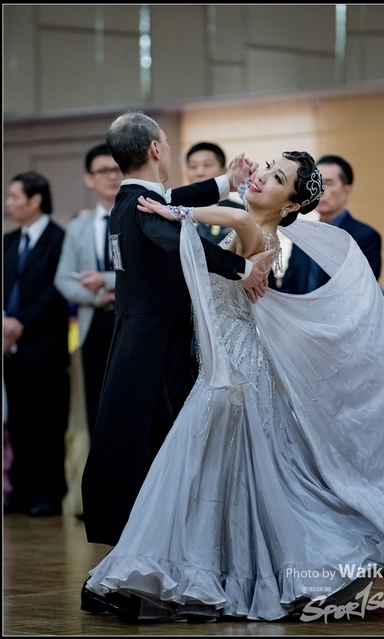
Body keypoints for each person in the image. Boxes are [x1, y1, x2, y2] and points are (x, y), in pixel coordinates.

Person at [82, 151, 384, 623]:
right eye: (266, 166)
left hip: (234, 372)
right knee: (223, 476)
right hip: (231, 367)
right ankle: (210, 572)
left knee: (199, 472)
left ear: (290, 205)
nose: (262, 176)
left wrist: (172, 210)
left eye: (276, 177)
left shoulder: (255, 230)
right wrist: (202, 198)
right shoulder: (261, 231)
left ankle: (193, 573)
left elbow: (228, 216)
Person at [80, 111, 273, 562]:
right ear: (155, 149)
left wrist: (227, 182)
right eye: (165, 141)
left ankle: (151, 536)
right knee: (155, 435)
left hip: (137, 335)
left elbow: (174, 201)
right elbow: (178, 240)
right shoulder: (144, 208)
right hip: (155, 345)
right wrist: (242, 269)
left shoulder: (130, 199)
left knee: (135, 431)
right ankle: (153, 539)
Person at [4, 171, 70, 517]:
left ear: (36, 200)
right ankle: (20, 491)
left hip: (45, 346)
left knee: (48, 423)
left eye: (15, 197)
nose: (9, 203)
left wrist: (21, 323)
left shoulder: (60, 239)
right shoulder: (8, 241)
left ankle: (49, 493)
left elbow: (58, 290)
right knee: (18, 423)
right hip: (11, 349)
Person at [54, 144, 122, 441]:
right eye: (103, 171)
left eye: (117, 169)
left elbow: (150, 273)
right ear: (89, 179)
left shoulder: (141, 216)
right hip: (92, 322)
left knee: (133, 404)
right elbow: (62, 279)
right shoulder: (78, 226)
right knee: (96, 406)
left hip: (132, 319)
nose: (112, 176)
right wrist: (99, 296)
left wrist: (105, 280)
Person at [270, 154, 382, 293]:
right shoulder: (303, 236)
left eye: (328, 183)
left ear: (346, 191)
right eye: (316, 183)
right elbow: (289, 286)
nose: (320, 190)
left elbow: (361, 291)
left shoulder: (365, 237)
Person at [185, 141, 245, 244]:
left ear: (224, 171)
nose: (199, 172)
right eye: (193, 166)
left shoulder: (241, 213)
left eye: (207, 165)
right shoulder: (175, 213)